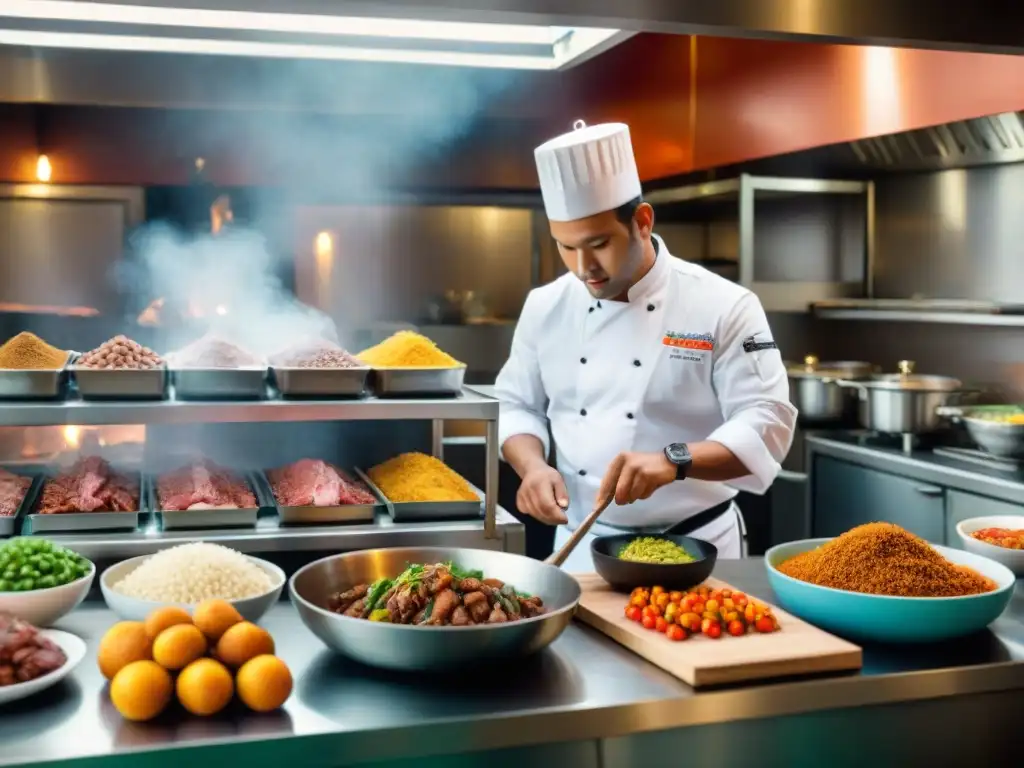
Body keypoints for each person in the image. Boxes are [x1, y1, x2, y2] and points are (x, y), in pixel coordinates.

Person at [494, 121, 797, 572]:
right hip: (581, 548)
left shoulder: (724, 305)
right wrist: (533, 467)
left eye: (599, 245)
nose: (583, 268)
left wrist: (675, 461)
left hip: (697, 550)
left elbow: (767, 423)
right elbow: (516, 404)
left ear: (642, 222)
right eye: (566, 247)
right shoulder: (545, 305)